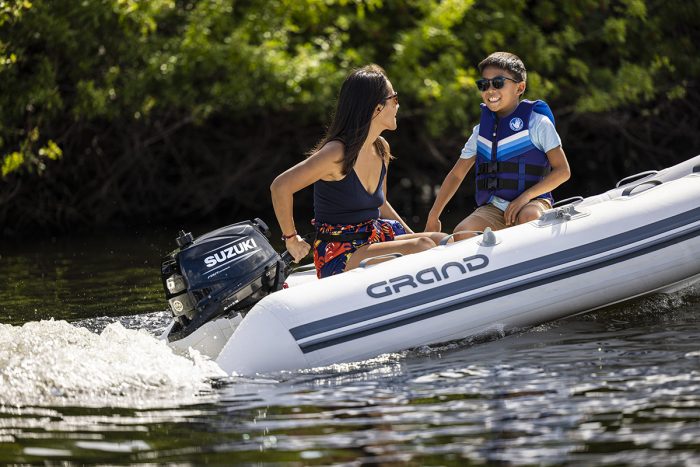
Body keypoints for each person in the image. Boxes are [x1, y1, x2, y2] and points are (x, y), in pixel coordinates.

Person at [271, 64, 445, 278]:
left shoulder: (381, 148)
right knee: (423, 246)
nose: (398, 105)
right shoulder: (336, 153)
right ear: (376, 108)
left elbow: (381, 203)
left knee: (441, 241)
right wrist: (291, 239)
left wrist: (413, 234)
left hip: (374, 239)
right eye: (395, 98)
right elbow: (281, 186)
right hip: (339, 254)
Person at [425, 52, 571, 238]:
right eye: (484, 85)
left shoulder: (538, 123)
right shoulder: (480, 132)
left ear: (520, 87)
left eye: (498, 83)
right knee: (462, 233)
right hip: (495, 208)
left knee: (528, 217)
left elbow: (563, 171)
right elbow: (457, 174)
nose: (490, 90)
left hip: (533, 201)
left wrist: (524, 197)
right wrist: (433, 215)